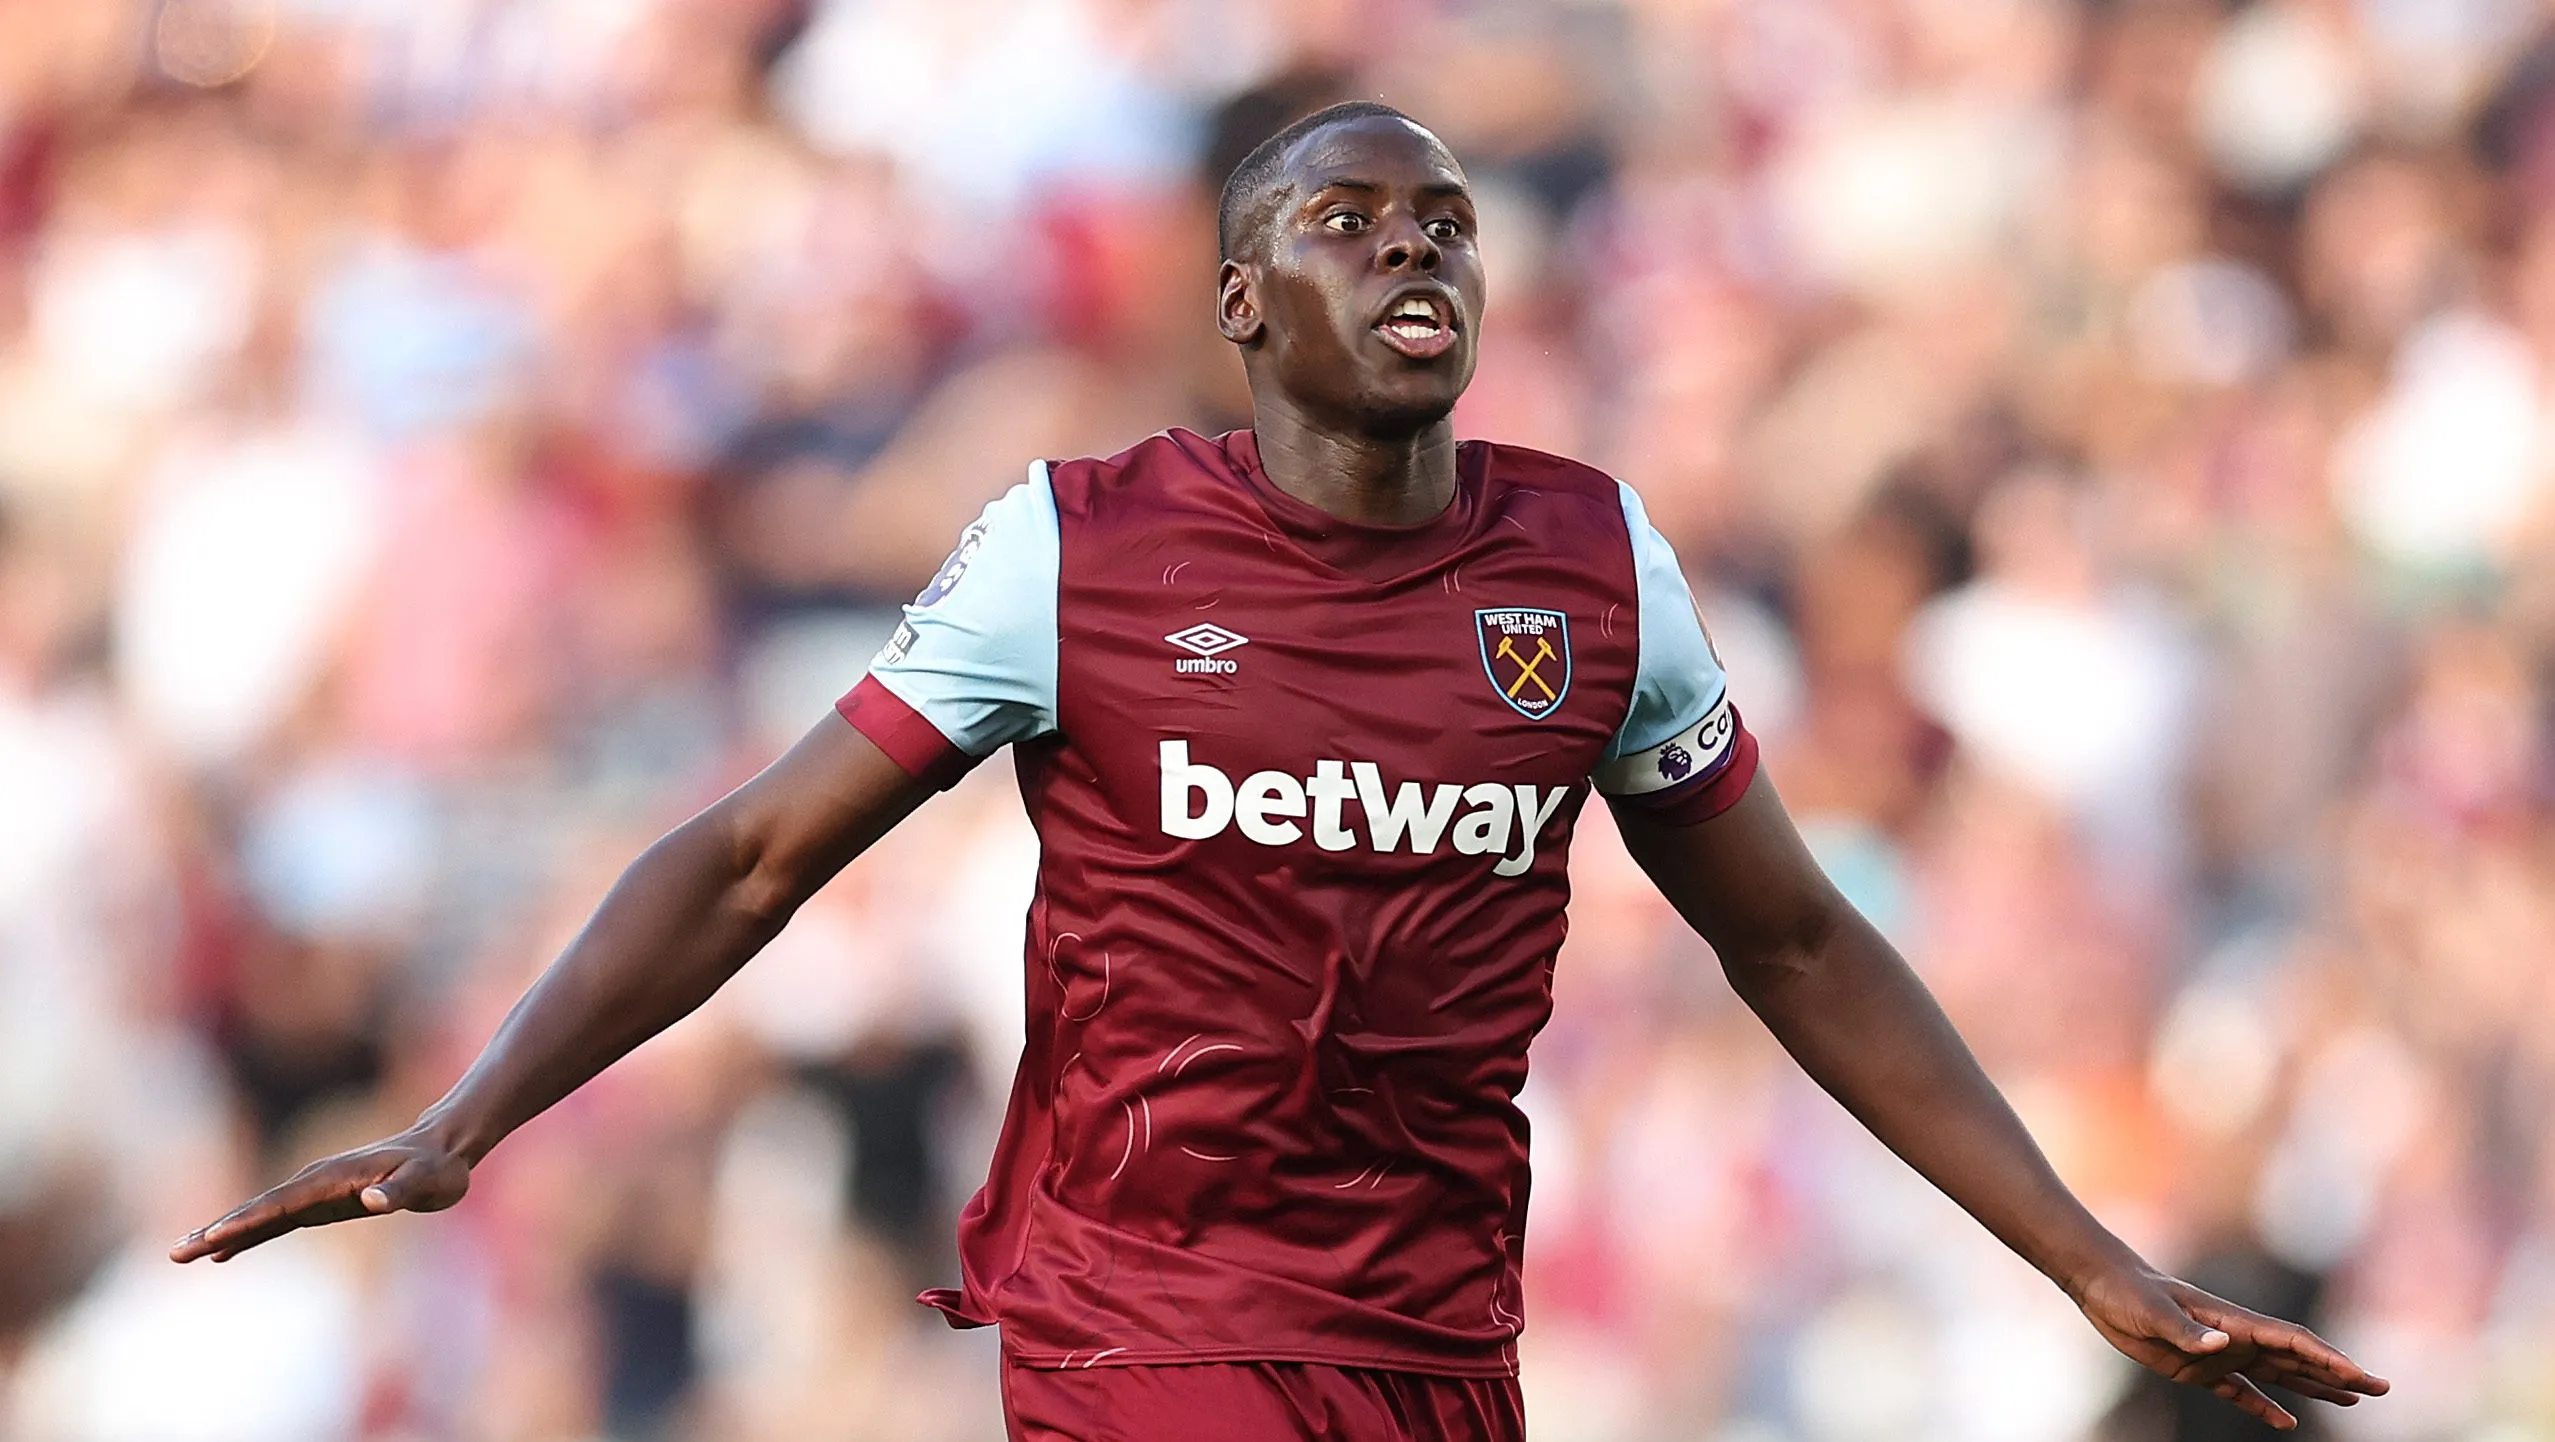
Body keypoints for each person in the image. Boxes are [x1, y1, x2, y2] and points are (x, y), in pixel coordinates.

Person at [174, 103, 2388, 1440]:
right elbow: (756, 854)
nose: (1413, 245)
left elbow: (1795, 937)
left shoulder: (1592, 565)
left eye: (1443, 222)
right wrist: (470, 1119)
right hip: (1147, 1318)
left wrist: (2087, 1261)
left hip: (1435, 1332)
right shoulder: (1076, 548)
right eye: (1349, 221)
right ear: (1242, 301)